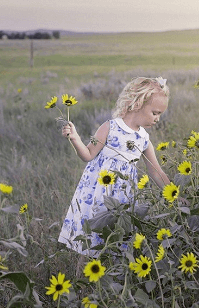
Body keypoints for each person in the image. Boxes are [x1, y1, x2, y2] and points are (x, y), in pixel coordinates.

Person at [58, 77, 171, 258]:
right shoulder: (110, 127)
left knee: (117, 238)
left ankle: (112, 276)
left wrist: (174, 194)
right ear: (138, 103)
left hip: (122, 200)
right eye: (155, 113)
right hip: (96, 194)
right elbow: (88, 155)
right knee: (90, 238)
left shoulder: (144, 139)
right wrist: (75, 138)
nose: (158, 119)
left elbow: (156, 171)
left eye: (160, 115)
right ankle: (82, 279)